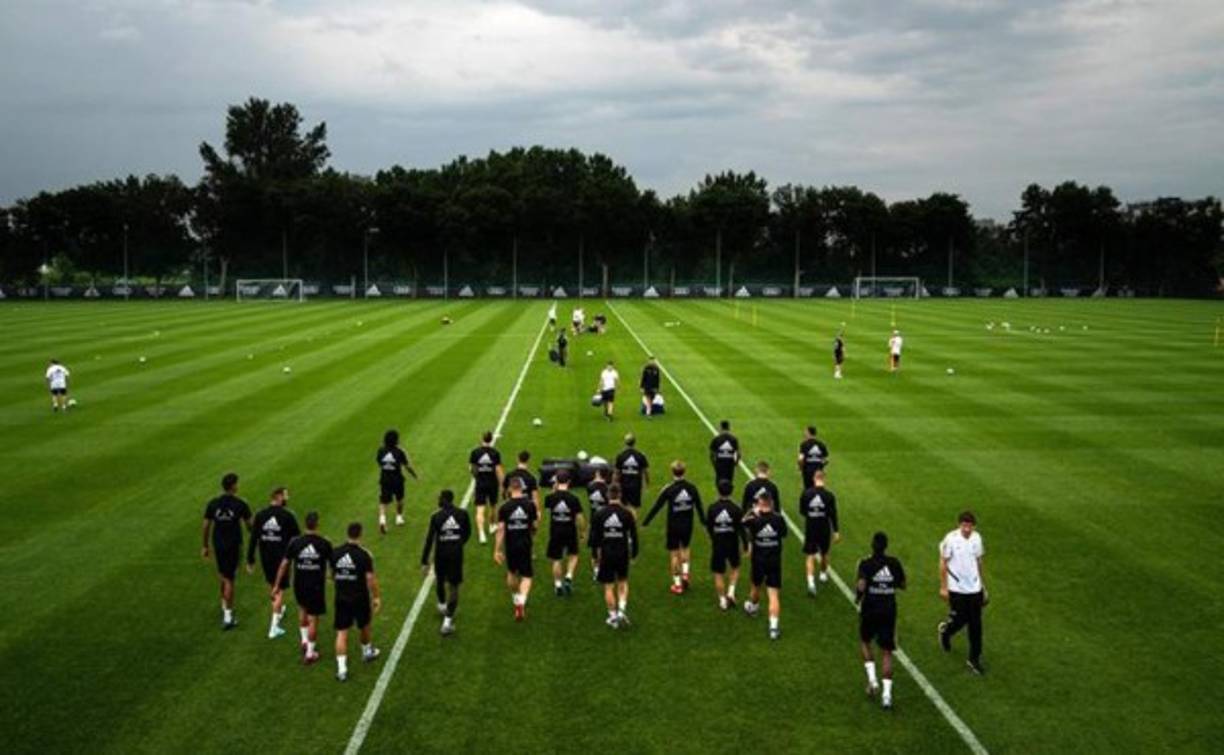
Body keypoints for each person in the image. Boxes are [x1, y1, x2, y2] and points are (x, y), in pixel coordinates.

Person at [857, 531, 907, 709]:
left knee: (865, 641)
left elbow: (861, 585)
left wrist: (858, 597)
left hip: (870, 609)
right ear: (886, 546)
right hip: (888, 611)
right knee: (886, 651)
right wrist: (888, 583)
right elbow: (903, 584)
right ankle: (887, 696)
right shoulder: (894, 563)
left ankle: (872, 680)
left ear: (872, 545)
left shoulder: (865, 563)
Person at [275, 511, 333, 664]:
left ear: (305, 524)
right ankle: (310, 653)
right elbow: (332, 564)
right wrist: (330, 576)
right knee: (313, 618)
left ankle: (304, 640)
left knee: (302, 610)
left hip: (299, 583)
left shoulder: (295, 542)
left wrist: (276, 585)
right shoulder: (324, 543)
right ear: (317, 524)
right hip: (315, 585)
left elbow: (284, 564)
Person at [246, 487, 301, 639]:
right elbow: (297, 539)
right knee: (279, 590)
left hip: (266, 557)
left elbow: (253, 538)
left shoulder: (260, 515)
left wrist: (250, 559)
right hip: (282, 558)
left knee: (272, 585)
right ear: (278, 497)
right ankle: (274, 627)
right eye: (285, 495)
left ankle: (279, 608)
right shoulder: (288, 516)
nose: (287, 498)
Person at [643, 460, 705, 594]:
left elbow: (657, 506)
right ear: (685, 471)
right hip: (687, 524)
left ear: (672, 472)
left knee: (674, 555)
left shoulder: (669, 488)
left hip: (673, 526)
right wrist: (703, 521)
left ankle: (677, 585)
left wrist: (646, 521)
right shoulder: (692, 488)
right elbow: (699, 506)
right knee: (686, 548)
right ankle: (686, 573)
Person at [201, 472, 252, 630]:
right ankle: (228, 616)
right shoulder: (240, 504)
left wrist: (205, 545)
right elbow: (250, 525)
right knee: (229, 578)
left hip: (218, 544)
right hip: (233, 545)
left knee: (223, 575)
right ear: (233, 486)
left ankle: (224, 603)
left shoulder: (213, 503)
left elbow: (206, 525)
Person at [938, 511, 987, 675]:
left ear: (974, 526)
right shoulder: (950, 539)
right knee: (960, 619)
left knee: (976, 625)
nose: (966, 529)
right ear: (959, 525)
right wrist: (944, 587)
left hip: (974, 588)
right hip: (957, 588)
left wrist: (983, 585)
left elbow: (979, 561)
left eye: (969, 526)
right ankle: (946, 632)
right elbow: (943, 562)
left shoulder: (977, 538)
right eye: (964, 525)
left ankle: (974, 659)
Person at [332, 522, 381, 681]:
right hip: (359, 597)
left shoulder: (336, 553)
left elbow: (331, 575)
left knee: (342, 633)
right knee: (364, 625)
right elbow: (370, 579)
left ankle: (341, 669)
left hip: (341, 597)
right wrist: (376, 597)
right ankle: (367, 652)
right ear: (360, 534)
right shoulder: (364, 554)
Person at [420, 489, 472, 636]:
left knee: (440, 580)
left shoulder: (436, 516)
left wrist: (424, 561)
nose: (438, 500)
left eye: (439, 498)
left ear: (443, 499)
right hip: (456, 554)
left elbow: (429, 539)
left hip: (441, 554)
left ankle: (443, 606)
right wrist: (458, 543)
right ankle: (447, 620)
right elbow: (468, 532)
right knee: (454, 586)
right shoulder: (462, 514)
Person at [590, 483, 639, 628]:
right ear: (620, 495)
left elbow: (594, 539)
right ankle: (622, 611)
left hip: (606, 554)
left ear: (607, 496)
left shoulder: (599, 513)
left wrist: (595, 557)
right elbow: (634, 536)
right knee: (623, 582)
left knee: (609, 586)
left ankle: (612, 616)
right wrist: (634, 553)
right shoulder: (627, 513)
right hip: (622, 552)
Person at [742, 491, 787, 640]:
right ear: (772, 503)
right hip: (774, 560)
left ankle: (753, 607)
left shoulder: (755, 520)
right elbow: (784, 534)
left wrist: (753, 512)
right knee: (773, 594)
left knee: (756, 586)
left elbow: (742, 522)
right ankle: (773, 628)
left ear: (760, 504)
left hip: (758, 560)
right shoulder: (779, 519)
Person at [494, 477, 539, 621]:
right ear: (522, 488)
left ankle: (515, 597)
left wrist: (496, 550)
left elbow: (501, 529)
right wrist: (532, 533)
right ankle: (522, 601)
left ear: (509, 489)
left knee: (511, 572)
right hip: (525, 543)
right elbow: (535, 524)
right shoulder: (530, 505)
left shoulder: (504, 507)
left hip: (511, 544)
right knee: (527, 575)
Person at [706, 480, 748, 611]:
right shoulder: (736, 509)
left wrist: (713, 538)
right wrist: (746, 545)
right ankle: (731, 591)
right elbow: (741, 529)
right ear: (731, 491)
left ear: (718, 491)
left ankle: (722, 600)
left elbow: (709, 527)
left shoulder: (712, 508)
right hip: (732, 543)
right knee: (735, 567)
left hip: (718, 544)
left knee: (718, 573)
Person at [543, 470, 585, 596]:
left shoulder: (550, 497)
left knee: (556, 559)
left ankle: (558, 585)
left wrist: (554, 489)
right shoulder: (574, 499)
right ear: (569, 482)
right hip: (570, 530)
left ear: (556, 481)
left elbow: (549, 503)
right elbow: (580, 518)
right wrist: (582, 531)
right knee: (573, 555)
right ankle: (569, 576)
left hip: (555, 531)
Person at [798, 471, 840, 595]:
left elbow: (802, 511)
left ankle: (811, 582)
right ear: (824, 479)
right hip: (824, 528)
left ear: (813, 479)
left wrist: (812, 515)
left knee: (810, 555)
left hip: (811, 528)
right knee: (824, 553)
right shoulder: (829, 496)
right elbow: (833, 515)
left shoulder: (806, 494)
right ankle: (822, 574)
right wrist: (836, 531)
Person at [375, 429, 418, 534]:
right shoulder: (399, 451)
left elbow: (379, 462)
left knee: (383, 502)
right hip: (397, 479)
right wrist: (415, 475)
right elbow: (407, 466)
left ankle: (382, 520)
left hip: (385, 479)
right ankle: (399, 517)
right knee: (400, 499)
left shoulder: (381, 451)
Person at [469, 431, 504, 545]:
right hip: (492, 483)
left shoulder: (475, 452)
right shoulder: (495, 453)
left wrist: (477, 477)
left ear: (482, 438)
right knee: (493, 505)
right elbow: (498, 470)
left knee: (480, 509)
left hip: (480, 484)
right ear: (491, 439)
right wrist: (503, 484)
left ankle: (481, 534)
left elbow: (472, 468)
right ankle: (491, 525)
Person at [586, 467, 610, 578]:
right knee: (603, 546)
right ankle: (602, 568)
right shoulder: (607, 489)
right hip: (605, 520)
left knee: (594, 547)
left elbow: (592, 484)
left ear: (597, 473)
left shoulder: (590, 487)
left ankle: (596, 570)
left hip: (593, 519)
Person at [614, 433, 650, 508]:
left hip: (623, 485)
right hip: (636, 486)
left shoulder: (620, 455)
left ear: (625, 442)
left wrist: (615, 484)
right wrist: (647, 484)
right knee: (634, 508)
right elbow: (646, 472)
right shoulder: (640, 455)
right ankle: (634, 519)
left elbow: (617, 473)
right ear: (634, 442)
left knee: (623, 506)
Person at [709, 420, 740, 484]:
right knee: (729, 484)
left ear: (721, 428)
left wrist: (715, 465)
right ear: (729, 428)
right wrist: (735, 464)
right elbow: (738, 454)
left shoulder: (716, 439)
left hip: (720, 466)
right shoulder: (734, 439)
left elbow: (712, 454)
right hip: (730, 466)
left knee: (719, 484)